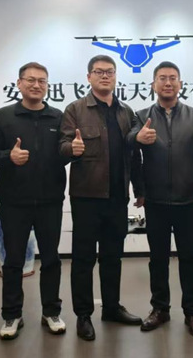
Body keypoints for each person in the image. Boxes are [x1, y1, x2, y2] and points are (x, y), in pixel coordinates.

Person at [128, 61, 193, 337]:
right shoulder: (141, 116)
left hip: (188, 201)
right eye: (162, 78)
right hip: (155, 201)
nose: (168, 83)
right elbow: (131, 151)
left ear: (180, 84)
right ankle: (160, 309)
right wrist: (140, 190)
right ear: (153, 84)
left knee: (189, 259)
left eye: (173, 78)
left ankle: (192, 312)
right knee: (158, 259)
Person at [59, 55, 143, 341]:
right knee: (83, 259)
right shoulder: (75, 110)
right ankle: (83, 315)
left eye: (110, 72)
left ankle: (111, 308)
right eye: (99, 72)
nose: (105, 76)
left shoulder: (126, 112)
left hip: (117, 197)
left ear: (116, 76)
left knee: (112, 257)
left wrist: (139, 189)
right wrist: (71, 149)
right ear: (89, 77)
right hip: (86, 197)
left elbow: (134, 154)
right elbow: (61, 146)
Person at [0, 62, 69, 339]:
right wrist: (8, 157)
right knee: (13, 262)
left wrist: (74, 151)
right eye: (30, 80)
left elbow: (64, 154)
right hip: (14, 202)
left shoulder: (58, 117)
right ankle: (12, 315)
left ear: (47, 86)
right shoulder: (4, 116)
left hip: (50, 201)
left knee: (51, 259)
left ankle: (51, 311)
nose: (36, 85)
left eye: (42, 81)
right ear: (19, 83)